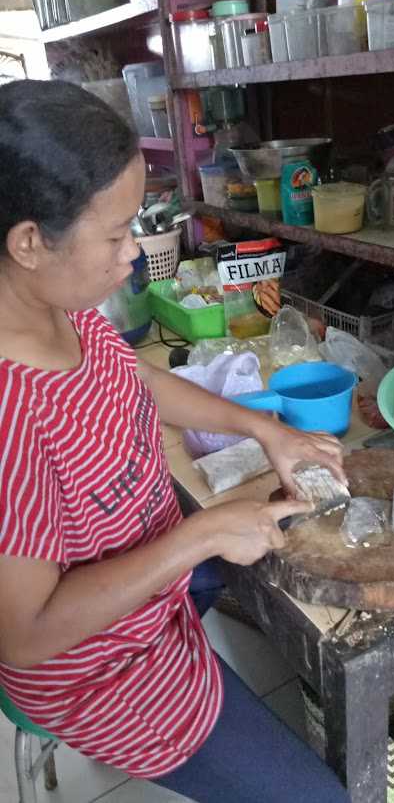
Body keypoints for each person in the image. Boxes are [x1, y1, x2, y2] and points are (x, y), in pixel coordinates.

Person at [0, 80, 350, 803]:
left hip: (148, 578)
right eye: (118, 232)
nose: (135, 252)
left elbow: (131, 378)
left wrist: (265, 427)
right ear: (30, 242)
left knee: (262, 565)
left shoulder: (59, 307)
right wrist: (205, 536)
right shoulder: (12, 414)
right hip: (97, 666)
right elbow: (27, 635)